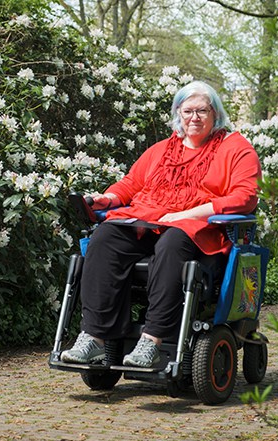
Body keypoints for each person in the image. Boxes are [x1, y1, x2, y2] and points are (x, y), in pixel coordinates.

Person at [61, 80, 261, 368]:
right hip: (150, 220)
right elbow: (131, 184)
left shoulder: (235, 148)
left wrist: (188, 214)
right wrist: (106, 198)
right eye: (187, 110)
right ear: (177, 113)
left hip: (198, 232)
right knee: (105, 237)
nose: (194, 117)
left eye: (202, 110)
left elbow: (245, 197)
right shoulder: (161, 150)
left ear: (215, 114)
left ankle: (151, 341)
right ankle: (95, 337)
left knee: (172, 241)